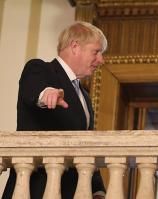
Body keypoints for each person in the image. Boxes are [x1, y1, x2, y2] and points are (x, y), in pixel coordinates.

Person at [2, 21, 108, 199]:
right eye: (96, 52)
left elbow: (87, 147)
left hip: (73, 192)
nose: (101, 60)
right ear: (75, 46)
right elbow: (33, 89)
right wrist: (46, 94)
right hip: (35, 189)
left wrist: (97, 189)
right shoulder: (40, 69)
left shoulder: (86, 97)